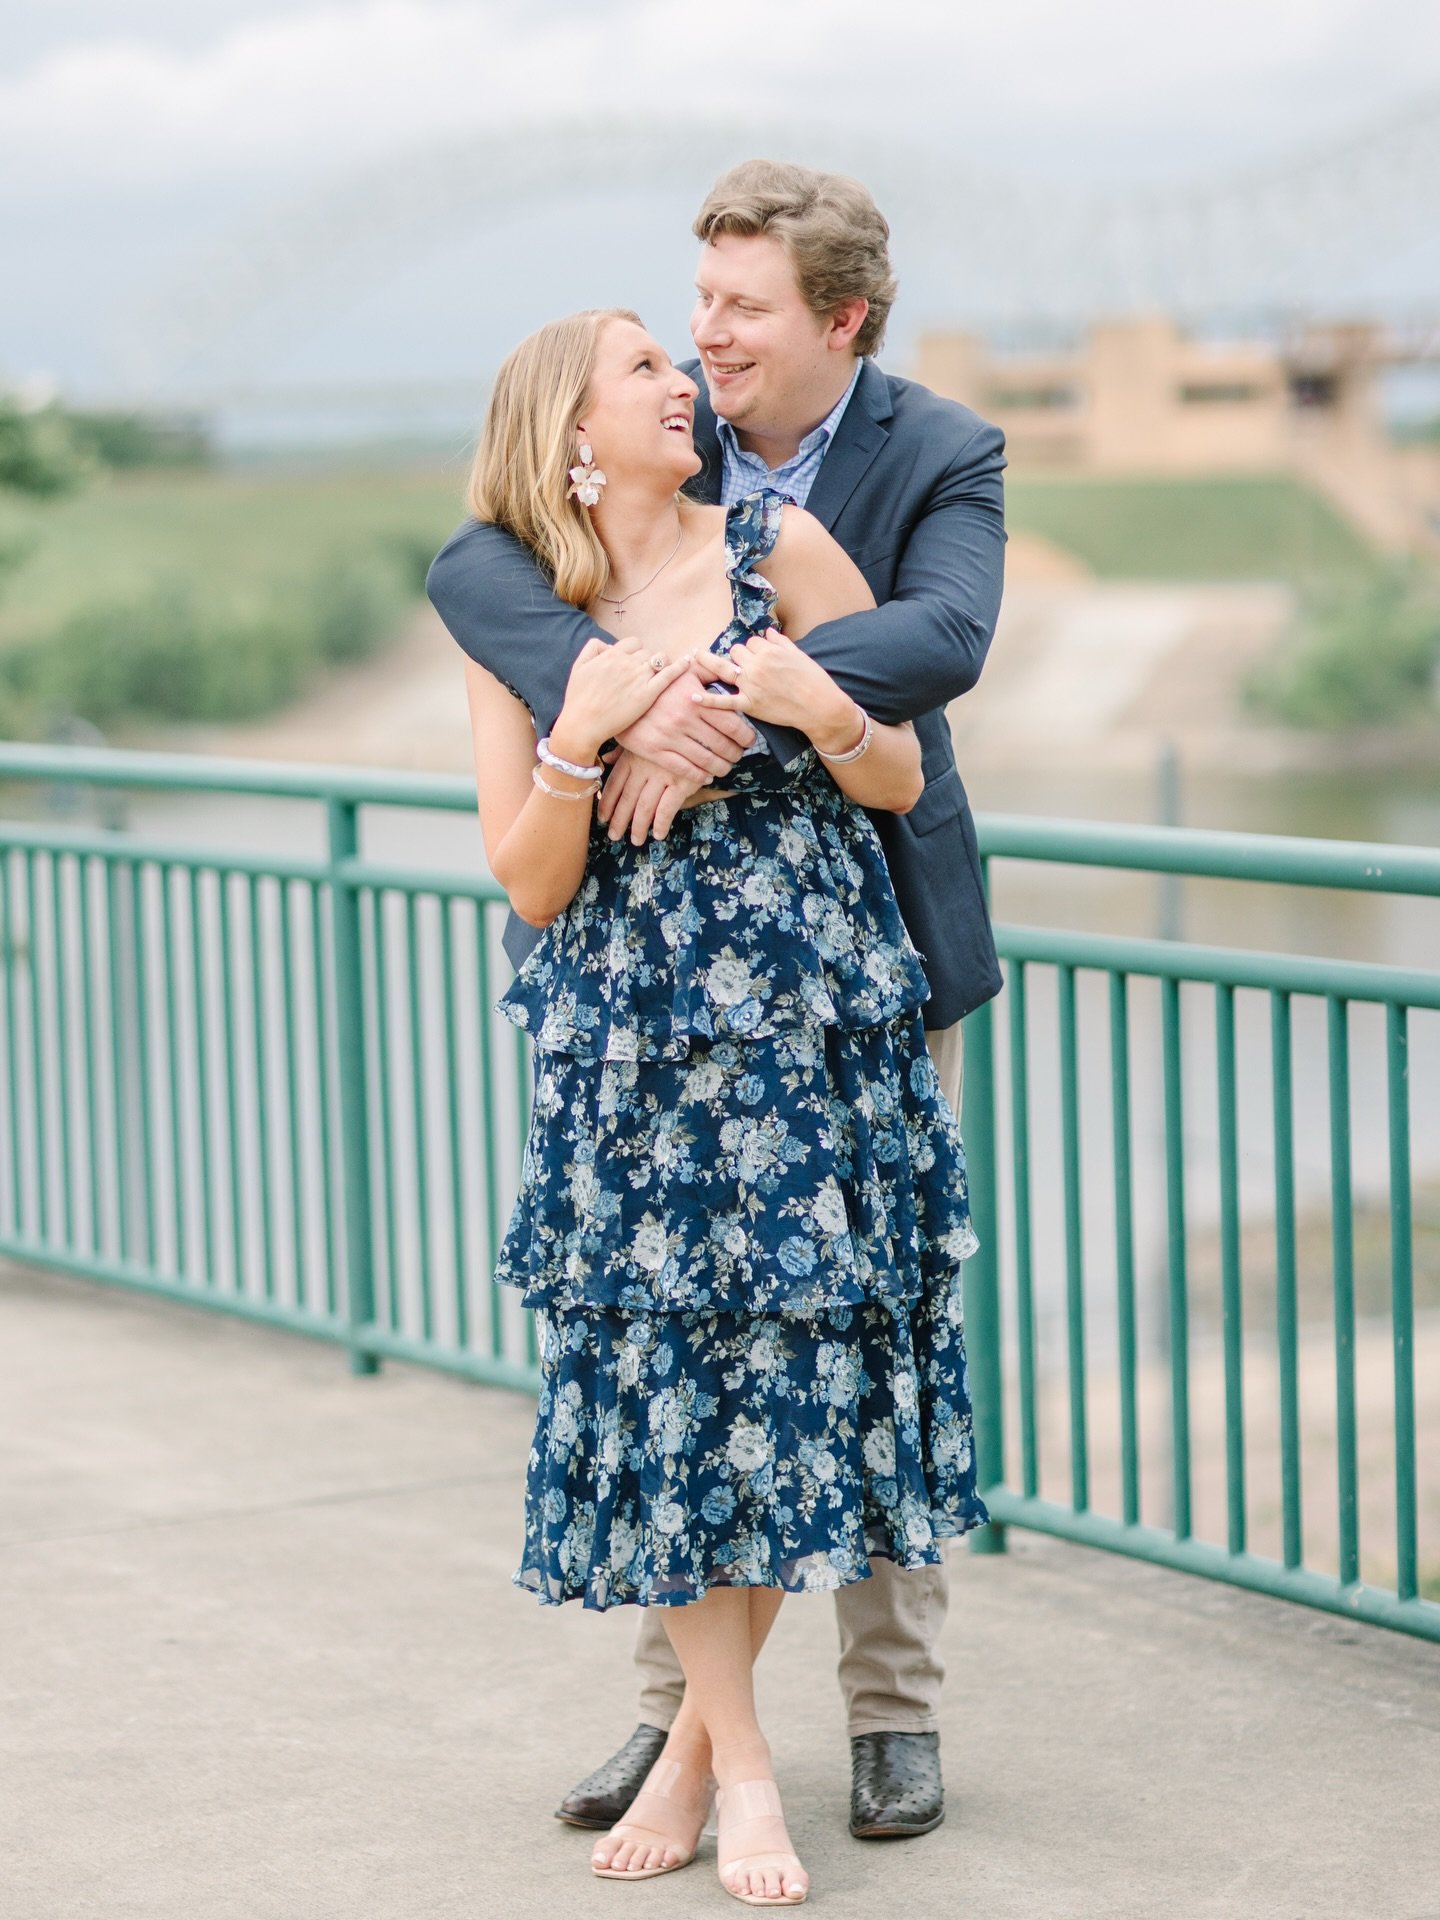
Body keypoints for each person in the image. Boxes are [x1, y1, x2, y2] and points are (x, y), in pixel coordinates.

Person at [429, 160, 1006, 1853]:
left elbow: (929, 680)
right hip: (638, 1037)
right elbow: (526, 850)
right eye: (674, 337)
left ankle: (846, 1724)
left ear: (837, 320)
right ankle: (692, 1732)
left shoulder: (888, 479)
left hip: (833, 994)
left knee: (834, 1348)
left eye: (734, 318)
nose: (700, 350)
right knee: (676, 1365)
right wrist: (591, 724)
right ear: (583, 431)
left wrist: (759, 708)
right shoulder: (520, 589)